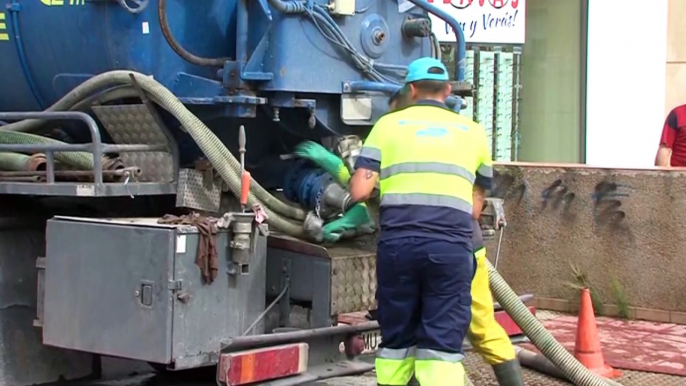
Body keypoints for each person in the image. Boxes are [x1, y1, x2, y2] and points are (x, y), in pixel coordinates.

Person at [348, 57, 493, 386]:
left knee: (397, 342)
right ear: (447, 90)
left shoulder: (387, 125)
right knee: (441, 347)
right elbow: (474, 207)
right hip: (451, 251)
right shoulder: (474, 133)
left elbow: (359, 191)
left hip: (399, 250)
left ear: (411, 90)